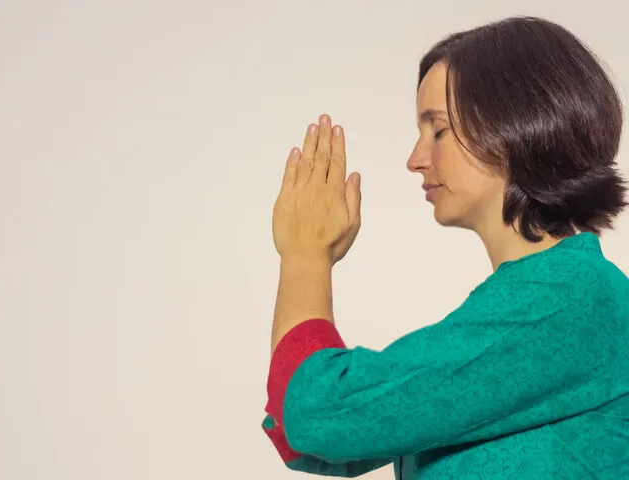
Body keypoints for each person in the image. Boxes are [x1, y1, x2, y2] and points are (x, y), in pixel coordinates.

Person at [261, 15, 629, 479]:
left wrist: (305, 255)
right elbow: (319, 441)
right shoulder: (549, 299)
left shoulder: (570, 298)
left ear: (515, 124)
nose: (415, 160)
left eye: (437, 130)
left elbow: (320, 416)